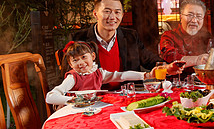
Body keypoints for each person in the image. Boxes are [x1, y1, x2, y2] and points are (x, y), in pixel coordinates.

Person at [72, 0, 178, 89]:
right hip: (95, 99)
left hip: (128, 96)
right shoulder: (79, 39)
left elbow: (149, 59)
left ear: (122, 15)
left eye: (117, 12)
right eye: (107, 11)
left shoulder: (130, 36)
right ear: (95, 14)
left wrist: (168, 67)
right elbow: (70, 73)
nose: (112, 17)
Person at [46, 41, 181, 109]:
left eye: (83, 57)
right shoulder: (73, 77)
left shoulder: (98, 73)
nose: (80, 63)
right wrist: (71, 101)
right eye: (75, 60)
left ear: (93, 56)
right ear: (70, 64)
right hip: (75, 111)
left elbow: (121, 76)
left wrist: (146, 75)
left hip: (92, 109)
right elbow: (50, 96)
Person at [159, 0, 213, 68]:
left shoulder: (207, 37)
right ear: (181, 17)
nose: (194, 20)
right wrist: (197, 60)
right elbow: (170, 55)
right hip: (177, 78)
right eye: (190, 15)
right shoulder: (169, 36)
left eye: (199, 16)